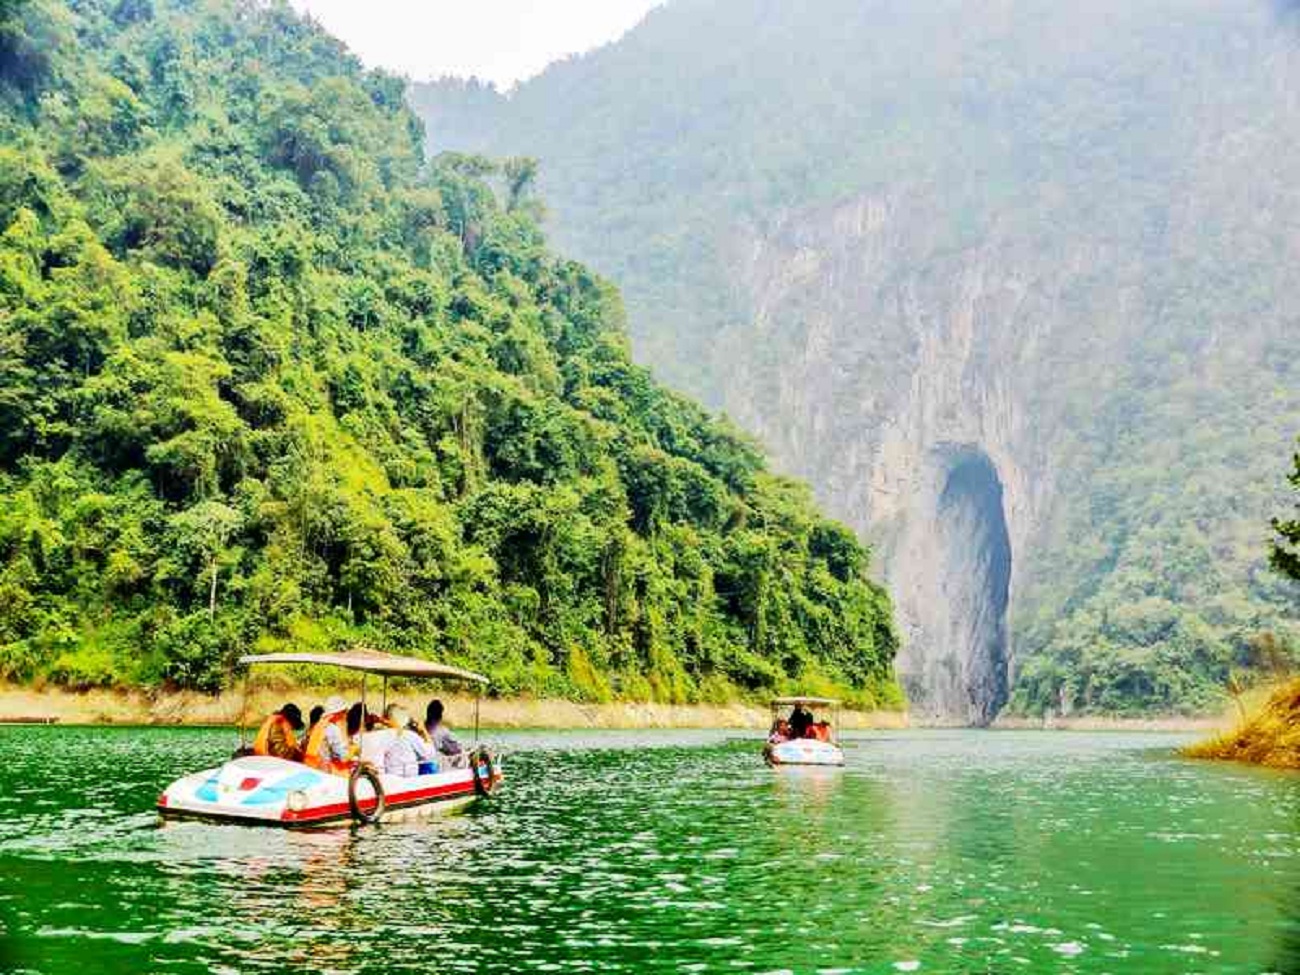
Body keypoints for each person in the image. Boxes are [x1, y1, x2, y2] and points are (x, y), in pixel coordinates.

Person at [382, 705, 439, 777]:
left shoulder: (382, 734)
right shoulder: (409, 735)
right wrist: (423, 731)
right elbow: (430, 753)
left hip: (388, 775)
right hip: (408, 777)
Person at [304, 696, 353, 773]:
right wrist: (354, 753)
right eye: (344, 711)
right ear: (339, 712)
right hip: (323, 768)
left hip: (311, 765)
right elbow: (342, 754)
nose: (345, 714)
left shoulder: (320, 723)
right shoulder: (332, 728)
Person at [425, 699, 466, 768]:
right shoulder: (442, 732)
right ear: (440, 716)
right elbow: (457, 749)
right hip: (433, 765)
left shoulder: (417, 729)